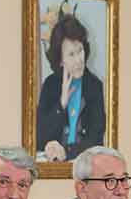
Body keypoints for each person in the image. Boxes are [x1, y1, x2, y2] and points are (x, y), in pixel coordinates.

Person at [36, 11, 106, 162]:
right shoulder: (50, 85)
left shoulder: (95, 86)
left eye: (80, 51)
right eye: (71, 54)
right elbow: (39, 137)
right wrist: (61, 104)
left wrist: (67, 151)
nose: (79, 60)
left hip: (84, 166)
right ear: (61, 60)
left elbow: (96, 139)